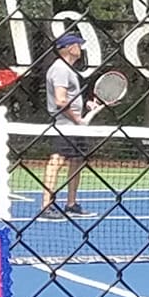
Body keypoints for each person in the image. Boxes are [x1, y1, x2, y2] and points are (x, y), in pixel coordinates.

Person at [35, 33, 96, 221]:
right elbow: (61, 101)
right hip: (65, 125)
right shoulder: (60, 69)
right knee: (57, 162)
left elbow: (69, 98)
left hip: (74, 126)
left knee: (77, 161)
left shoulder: (69, 70)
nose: (81, 48)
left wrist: (86, 105)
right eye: (79, 45)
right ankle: (46, 205)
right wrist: (76, 118)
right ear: (70, 48)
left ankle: (71, 204)